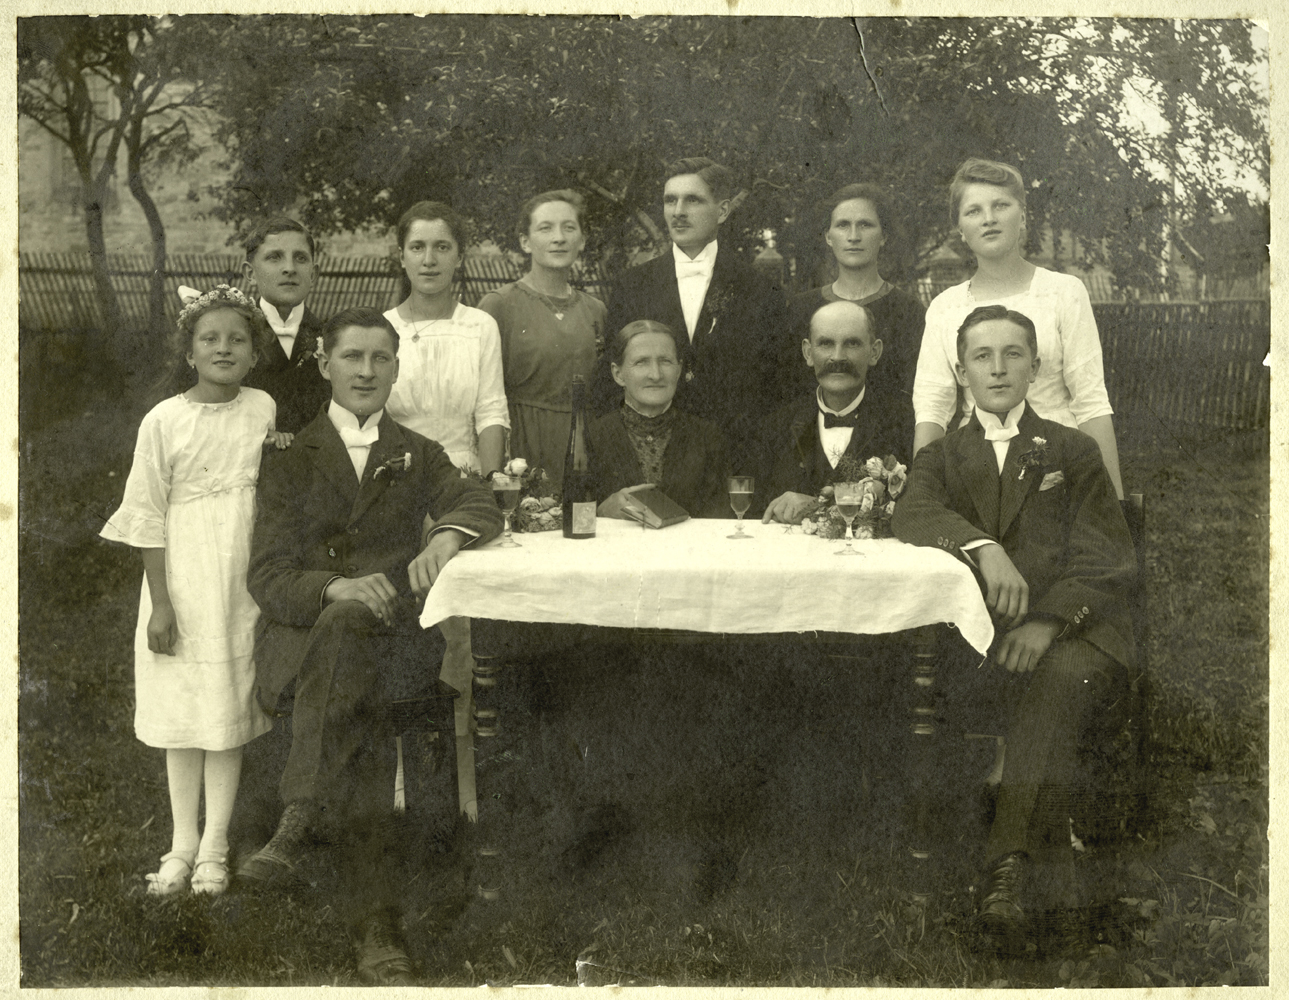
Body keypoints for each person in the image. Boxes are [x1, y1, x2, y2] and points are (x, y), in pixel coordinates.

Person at [239, 307, 502, 984]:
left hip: (395, 645)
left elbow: (480, 503)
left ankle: (302, 814)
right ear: (324, 364)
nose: (365, 371)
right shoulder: (288, 457)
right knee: (353, 663)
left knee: (360, 667)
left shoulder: (417, 450)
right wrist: (336, 588)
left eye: (380, 358)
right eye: (351, 357)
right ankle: (377, 926)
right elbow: (268, 577)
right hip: (305, 644)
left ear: (395, 368)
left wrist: (446, 534)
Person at [891, 304, 1136, 951]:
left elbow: (1107, 557)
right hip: (983, 632)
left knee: (1060, 676)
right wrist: (982, 546)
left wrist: (1048, 621)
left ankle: (1003, 870)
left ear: (1035, 366)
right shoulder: (943, 455)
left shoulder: (1071, 449)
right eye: (982, 356)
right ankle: (1042, 869)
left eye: (1012, 355)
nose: (997, 369)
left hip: (1077, 630)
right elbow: (911, 513)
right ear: (961, 371)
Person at [99, 285, 290, 897]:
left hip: (241, 578)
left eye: (237, 339)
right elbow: (146, 515)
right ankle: (182, 844)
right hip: (183, 578)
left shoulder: (263, 408)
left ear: (255, 353)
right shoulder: (164, 420)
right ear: (189, 353)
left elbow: (272, 483)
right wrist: (161, 603)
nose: (223, 348)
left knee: (226, 706)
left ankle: (216, 846)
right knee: (184, 709)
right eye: (210, 338)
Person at [912, 158, 1124, 498]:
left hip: (1058, 469)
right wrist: (924, 500)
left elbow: (1092, 404)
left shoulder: (1063, 292)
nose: (989, 219)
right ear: (961, 230)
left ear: (1023, 217)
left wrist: (1114, 505)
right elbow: (932, 411)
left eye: (1001, 205)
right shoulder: (944, 308)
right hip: (977, 473)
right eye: (974, 211)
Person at [593, 156, 785, 467]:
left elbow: (776, 387)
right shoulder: (632, 286)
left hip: (739, 459)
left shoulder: (760, 290)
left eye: (693, 200)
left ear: (722, 210)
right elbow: (612, 379)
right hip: (654, 461)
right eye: (670, 200)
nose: (678, 212)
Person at [478, 190, 607, 492]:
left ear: (582, 240)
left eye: (569, 228)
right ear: (525, 242)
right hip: (522, 444)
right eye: (545, 228)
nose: (559, 238)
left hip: (581, 447)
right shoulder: (499, 305)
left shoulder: (596, 310)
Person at [383, 200, 508, 476]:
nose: (429, 260)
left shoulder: (480, 326)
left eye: (442, 247)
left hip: (464, 475)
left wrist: (488, 485)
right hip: (398, 474)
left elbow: (491, 413)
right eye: (417, 247)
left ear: (459, 257)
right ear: (402, 257)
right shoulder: (383, 328)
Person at [759, 300, 913, 524]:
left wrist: (816, 507)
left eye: (852, 343)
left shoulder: (905, 424)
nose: (838, 357)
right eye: (826, 344)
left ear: (874, 352)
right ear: (808, 352)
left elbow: (912, 508)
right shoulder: (775, 427)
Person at [783, 183, 925, 399]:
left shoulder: (908, 311)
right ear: (828, 237)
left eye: (865, 225)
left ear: (884, 236)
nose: (853, 236)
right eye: (842, 225)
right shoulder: (801, 309)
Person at [590, 320, 730, 520]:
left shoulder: (708, 437)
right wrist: (600, 512)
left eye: (665, 361)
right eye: (641, 362)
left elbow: (721, 520)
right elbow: (570, 516)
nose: (655, 375)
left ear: (679, 370)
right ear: (618, 374)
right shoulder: (592, 437)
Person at [240, 217, 331, 434]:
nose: (289, 268)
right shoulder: (234, 337)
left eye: (300, 258)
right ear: (250, 274)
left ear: (313, 275)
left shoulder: (331, 338)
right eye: (274, 257)